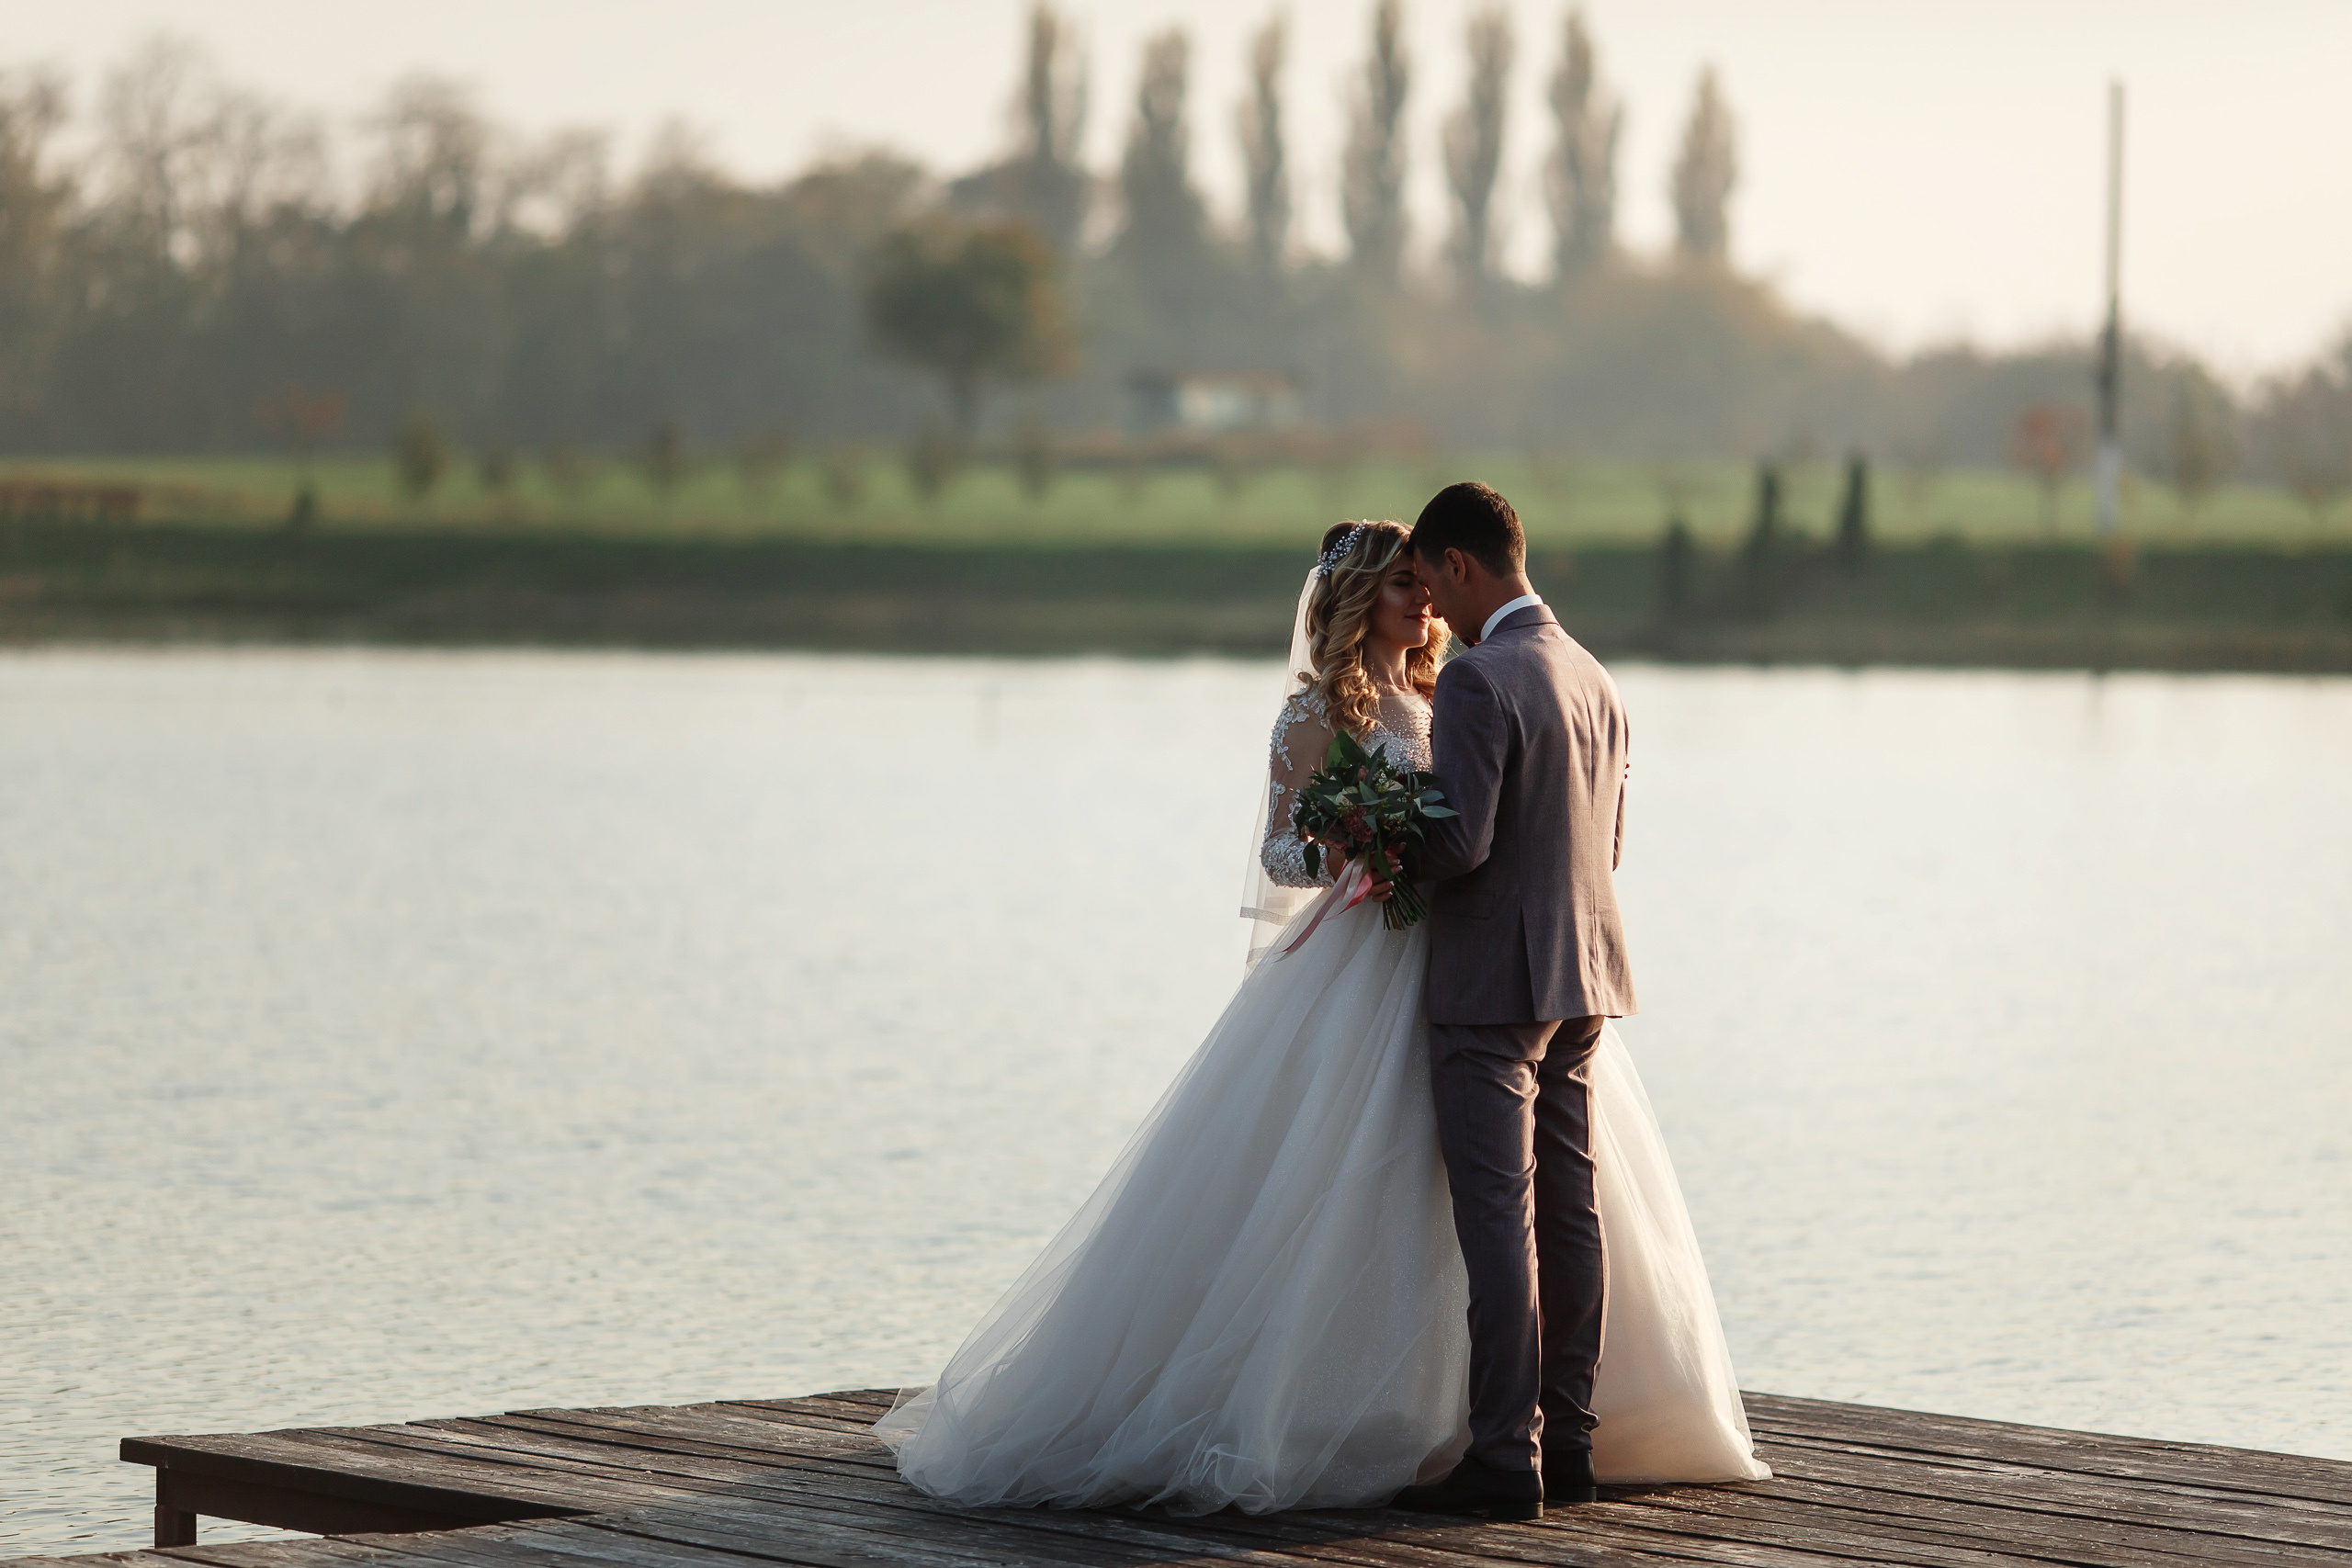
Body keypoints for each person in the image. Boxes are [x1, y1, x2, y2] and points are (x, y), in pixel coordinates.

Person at [874, 513, 1767, 1517]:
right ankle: (1438, 1424)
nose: (1421, 599)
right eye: (1399, 585)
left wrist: (1408, 843)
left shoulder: (1456, 689)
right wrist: (1351, 845)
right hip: (1395, 962)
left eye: (1425, 580)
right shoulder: (1317, 713)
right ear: (1354, 601)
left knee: (1514, 1208)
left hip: (1479, 967)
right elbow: (1280, 854)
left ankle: (1515, 1440)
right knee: (1428, 1196)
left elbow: (1476, 834)